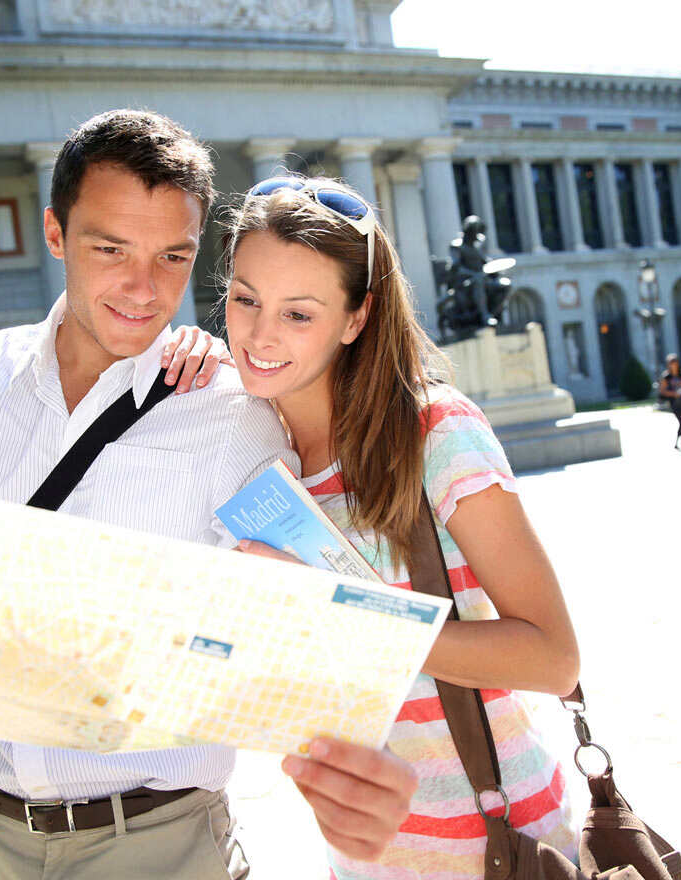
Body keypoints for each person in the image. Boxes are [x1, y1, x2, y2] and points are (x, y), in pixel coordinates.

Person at [0, 110, 417, 879]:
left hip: (158, 841)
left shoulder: (237, 418)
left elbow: (292, 607)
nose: (143, 288)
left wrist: (350, 754)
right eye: (110, 249)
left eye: (173, 255)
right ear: (56, 234)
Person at [220, 176, 582, 879]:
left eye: (299, 314)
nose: (260, 335)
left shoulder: (436, 434)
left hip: (501, 848)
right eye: (244, 299)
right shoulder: (246, 454)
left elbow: (554, 658)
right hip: (362, 863)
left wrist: (356, 623)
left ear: (356, 319)